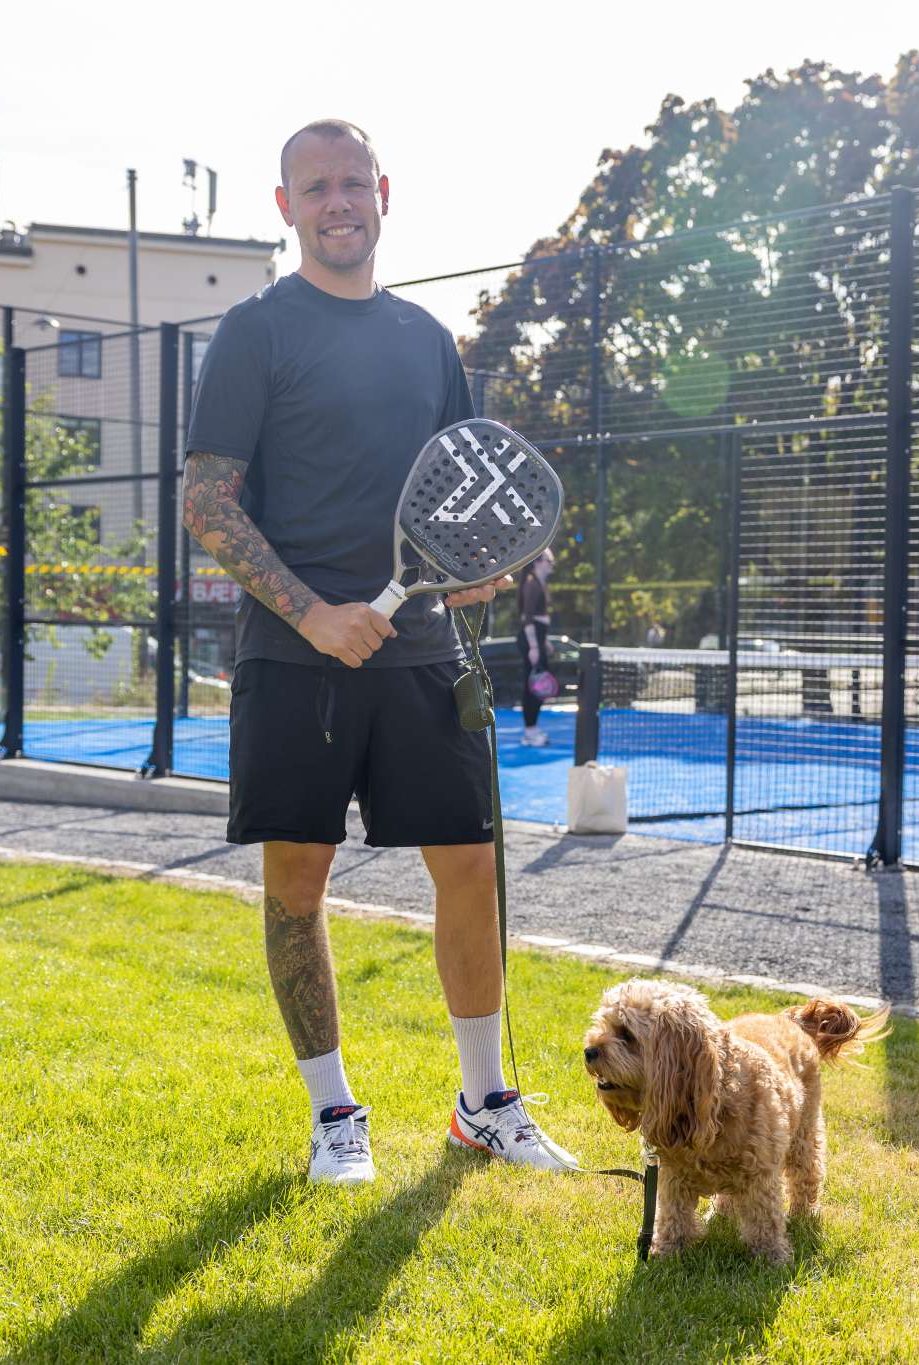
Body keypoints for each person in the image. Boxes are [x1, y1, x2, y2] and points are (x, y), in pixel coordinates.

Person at [181, 119, 575, 1185]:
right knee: (296, 886)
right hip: (293, 656)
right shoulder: (254, 332)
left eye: (353, 183)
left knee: (468, 870)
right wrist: (310, 612)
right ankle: (332, 1118)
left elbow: (456, 489)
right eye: (315, 188)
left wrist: (466, 574)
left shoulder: (423, 341)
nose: (337, 202)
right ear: (284, 208)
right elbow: (205, 500)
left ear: (383, 193)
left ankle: (483, 1103)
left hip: (420, 651)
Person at [517, 549, 555, 746]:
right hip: (531, 640)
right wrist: (534, 646)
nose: (551, 563)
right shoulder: (532, 583)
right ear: (537, 562)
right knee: (532, 686)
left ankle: (532, 728)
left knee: (538, 686)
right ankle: (529, 732)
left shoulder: (540, 583)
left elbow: (540, 618)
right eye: (549, 560)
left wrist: (544, 641)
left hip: (538, 639)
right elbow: (527, 617)